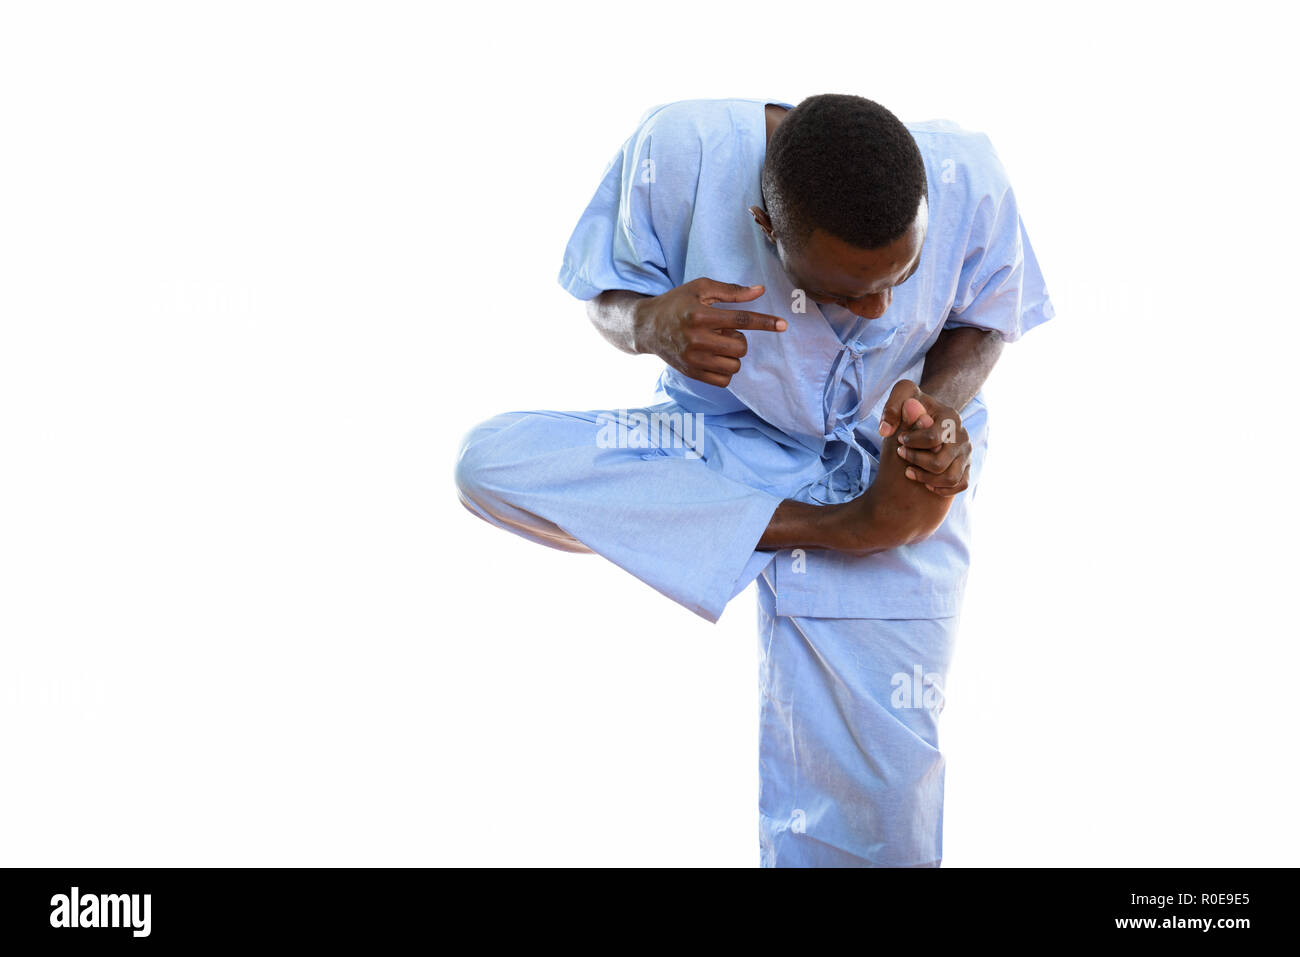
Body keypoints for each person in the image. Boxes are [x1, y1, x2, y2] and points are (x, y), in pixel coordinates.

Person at [455, 94, 1054, 866]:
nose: (875, 310)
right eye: (845, 293)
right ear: (765, 228)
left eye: (898, 280)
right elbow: (602, 293)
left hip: (891, 467)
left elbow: (986, 316)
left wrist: (936, 408)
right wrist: (647, 325)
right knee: (490, 462)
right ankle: (838, 527)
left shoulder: (967, 173)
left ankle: (862, 520)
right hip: (720, 440)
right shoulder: (680, 150)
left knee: (886, 809)